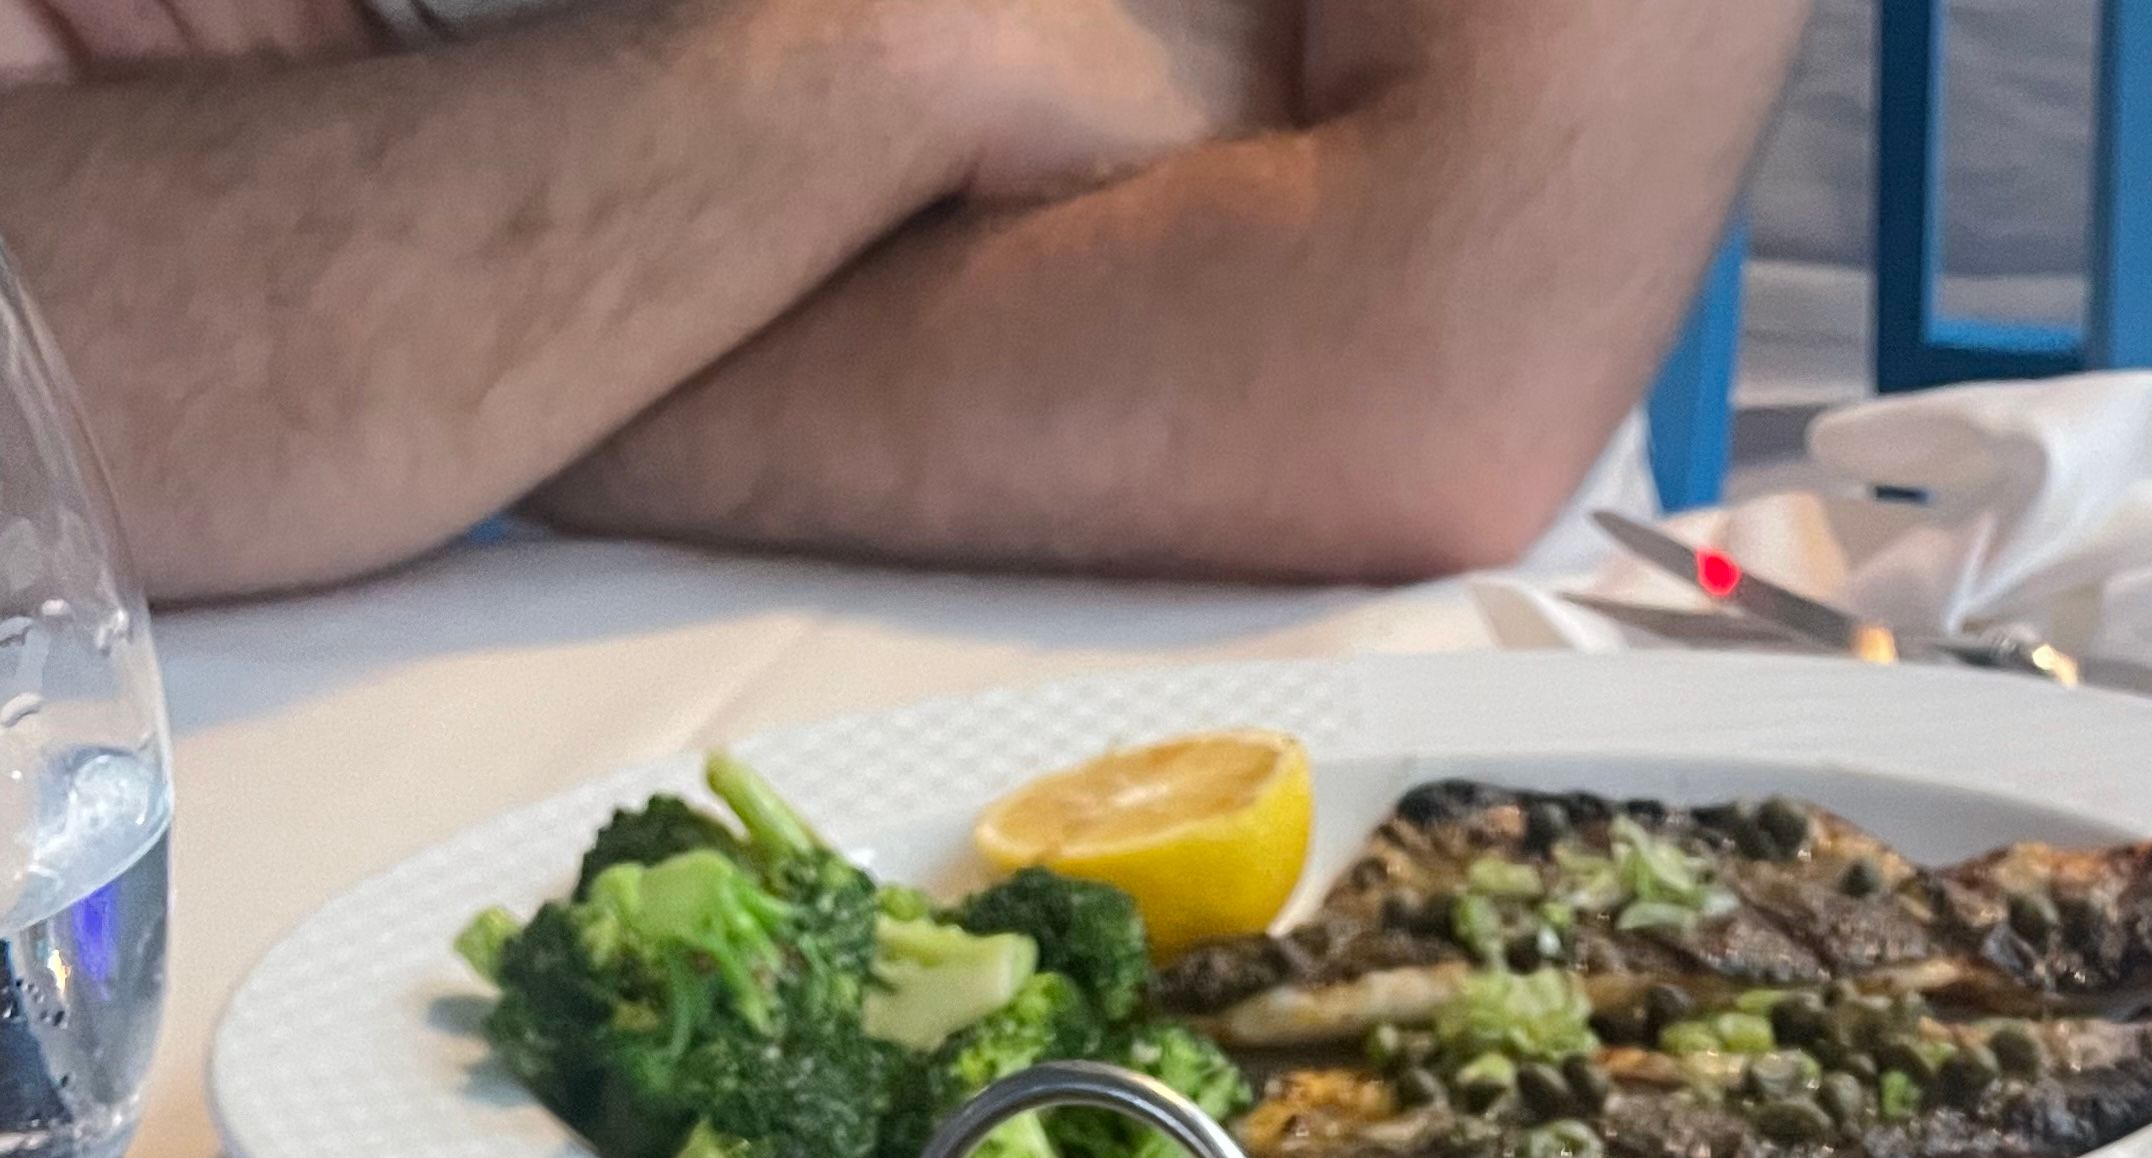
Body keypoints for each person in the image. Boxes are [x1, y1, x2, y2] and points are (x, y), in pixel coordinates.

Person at [0, 0, 1808, 603]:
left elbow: (1419, 370)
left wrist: (389, 362)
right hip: (237, 773)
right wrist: (892, 64)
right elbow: (45, 343)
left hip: (1302, 725)